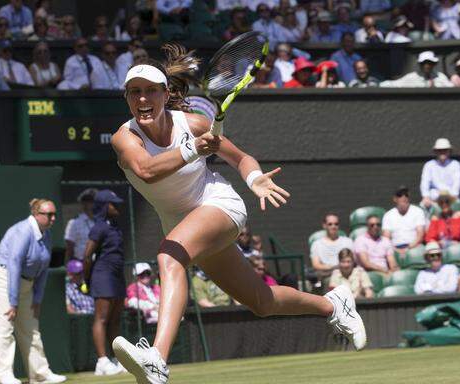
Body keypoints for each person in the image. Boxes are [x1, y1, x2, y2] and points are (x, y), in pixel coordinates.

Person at [110, 44, 367, 384]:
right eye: (135, 93)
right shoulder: (124, 138)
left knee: (168, 257)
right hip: (186, 226)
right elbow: (145, 170)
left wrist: (254, 178)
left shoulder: (195, 123)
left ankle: (157, 358)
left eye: (150, 92)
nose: (142, 100)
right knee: (262, 301)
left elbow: (241, 158)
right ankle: (334, 306)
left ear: (165, 93)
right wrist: (190, 150)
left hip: (219, 206)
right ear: (127, 97)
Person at [0, 198, 66, 384]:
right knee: (3, 328)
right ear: (36, 215)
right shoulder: (22, 231)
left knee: (30, 328)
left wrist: (37, 298)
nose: (53, 218)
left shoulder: (46, 234)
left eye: (54, 214)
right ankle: (3, 377)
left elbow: (44, 268)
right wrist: (13, 302)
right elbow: (14, 265)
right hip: (2, 278)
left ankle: (39, 374)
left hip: (25, 283)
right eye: (49, 215)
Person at [83, 190, 127, 376]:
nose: (117, 206)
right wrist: (87, 279)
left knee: (115, 320)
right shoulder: (99, 227)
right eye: (113, 203)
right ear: (104, 206)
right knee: (101, 318)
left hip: (117, 276)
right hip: (103, 275)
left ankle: (117, 359)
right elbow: (86, 256)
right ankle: (102, 362)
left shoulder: (115, 225)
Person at [310, 213, 354, 289]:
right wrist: (334, 268)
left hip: (348, 273)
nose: (333, 226)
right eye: (330, 224)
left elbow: (353, 260)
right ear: (324, 225)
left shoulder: (348, 241)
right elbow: (316, 265)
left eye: (336, 224)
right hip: (328, 275)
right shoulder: (317, 244)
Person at [382, 186, 426, 257]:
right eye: (400, 195)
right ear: (395, 199)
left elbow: (420, 236)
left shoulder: (418, 211)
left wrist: (408, 248)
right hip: (394, 248)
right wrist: (396, 250)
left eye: (406, 195)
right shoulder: (388, 215)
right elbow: (386, 238)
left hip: (414, 247)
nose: (404, 197)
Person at [420, 138, 460, 208]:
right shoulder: (429, 165)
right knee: (423, 205)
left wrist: (452, 196)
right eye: (439, 150)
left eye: (445, 150)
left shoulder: (455, 164)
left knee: (459, 206)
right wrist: (426, 196)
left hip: (451, 196)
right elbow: (425, 183)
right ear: (435, 152)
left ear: (449, 151)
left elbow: (457, 184)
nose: (442, 152)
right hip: (434, 196)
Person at [380, 51, 453, 88]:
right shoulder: (411, 77)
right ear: (420, 64)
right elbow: (394, 84)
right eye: (424, 63)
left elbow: (451, 88)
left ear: (434, 64)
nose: (427, 66)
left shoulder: (440, 77)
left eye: (430, 63)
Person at [64, 188, 97, 262]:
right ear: (84, 204)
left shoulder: (102, 222)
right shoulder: (74, 223)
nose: (92, 204)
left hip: (99, 264)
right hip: (81, 263)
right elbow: (70, 248)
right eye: (89, 201)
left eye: (94, 201)